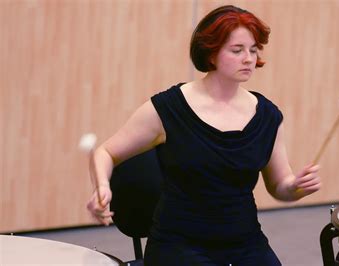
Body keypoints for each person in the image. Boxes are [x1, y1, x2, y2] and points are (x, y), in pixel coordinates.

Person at [87, 5, 322, 266]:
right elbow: (106, 152)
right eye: (237, 50)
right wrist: (102, 186)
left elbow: (280, 186)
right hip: (179, 246)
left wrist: (295, 187)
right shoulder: (168, 109)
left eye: (254, 50)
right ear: (211, 53)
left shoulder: (267, 116)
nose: (249, 58)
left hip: (246, 243)